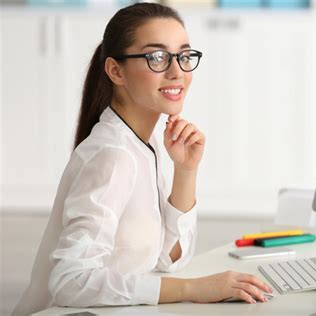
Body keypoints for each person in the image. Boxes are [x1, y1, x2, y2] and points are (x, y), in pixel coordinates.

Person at [12, 3, 271, 315]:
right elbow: (70, 281)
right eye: (157, 57)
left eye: (183, 56)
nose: (177, 72)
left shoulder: (143, 145)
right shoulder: (113, 156)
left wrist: (185, 170)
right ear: (115, 70)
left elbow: (167, 259)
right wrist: (192, 289)